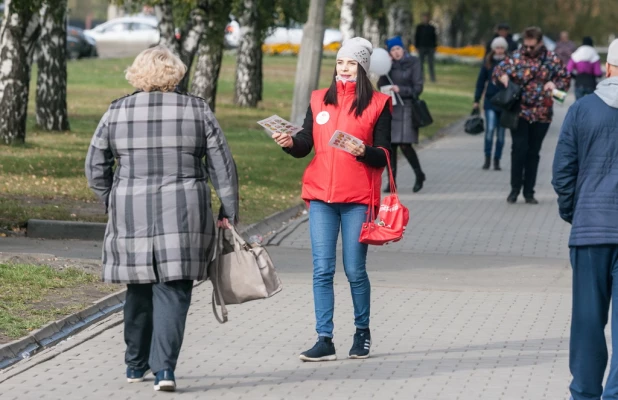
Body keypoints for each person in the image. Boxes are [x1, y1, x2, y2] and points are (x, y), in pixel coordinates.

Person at [85, 46, 239, 392]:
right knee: (175, 288)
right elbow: (222, 167)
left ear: (137, 74)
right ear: (177, 74)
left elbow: (95, 166)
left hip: (131, 211)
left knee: (137, 288)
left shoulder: (117, 111)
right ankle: (164, 371)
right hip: (184, 211)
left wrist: (111, 198)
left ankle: (134, 364)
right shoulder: (197, 111)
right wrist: (228, 210)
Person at [272, 37, 392, 362]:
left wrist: (363, 151)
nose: (344, 68)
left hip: (358, 199)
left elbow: (384, 155)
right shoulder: (319, 100)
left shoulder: (378, 104)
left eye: (352, 63)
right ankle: (324, 339)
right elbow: (305, 144)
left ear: (363, 68)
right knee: (322, 270)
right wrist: (288, 143)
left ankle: (362, 332)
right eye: (340, 62)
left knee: (354, 270)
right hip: (321, 197)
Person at [551, 38, 618, 400]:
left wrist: (573, 212)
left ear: (607, 68)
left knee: (588, 323)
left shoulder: (582, 109)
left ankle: (586, 394)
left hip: (591, 230)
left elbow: (562, 171)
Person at [493, 26, 570, 204]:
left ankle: (529, 191)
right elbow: (497, 71)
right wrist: (502, 77)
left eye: (531, 46)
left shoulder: (551, 59)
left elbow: (565, 79)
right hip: (519, 112)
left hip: (542, 113)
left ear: (540, 43)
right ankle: (514, 189)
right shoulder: (516, 57)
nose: (528, 50)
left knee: (533, 152)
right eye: (525, 46)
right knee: (518, 150)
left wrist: (554, 84)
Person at [377, 35, 425, 193]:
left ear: (403, 49)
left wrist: (400, 89)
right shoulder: (388, 66)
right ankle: (391, 182)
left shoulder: (414, 63)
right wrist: (386, 70)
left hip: (407, 107)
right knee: (390, 147)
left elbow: (418, 88)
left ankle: (419, 174)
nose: (396, 52)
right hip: (392, 108)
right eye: (392, 50)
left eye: (398, 48)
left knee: (405, 145)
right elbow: (380, 86)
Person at [474, 37, 509, 171]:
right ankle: (487, 158)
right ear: (493, 49)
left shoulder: (510, 63)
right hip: (491, 100)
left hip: (505, 102)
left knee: (501, 133)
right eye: (497, 47)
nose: (499, 50)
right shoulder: (488, 63)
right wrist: (476, 100)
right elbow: (480, 82)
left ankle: (497, 159)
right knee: (489, 130)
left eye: (502, 47)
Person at [415, 13, 437, 82]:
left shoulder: (432, 28)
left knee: (431, 63)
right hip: (421, 47)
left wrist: (434, 46)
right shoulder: (419, 27)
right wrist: (417, 46)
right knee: (421, 63)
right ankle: (421, 78)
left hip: (430, 47)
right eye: (424, 17)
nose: (425, 19)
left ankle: (432, 78)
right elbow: (416, 37)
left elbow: (434, 37)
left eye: (426, 17)